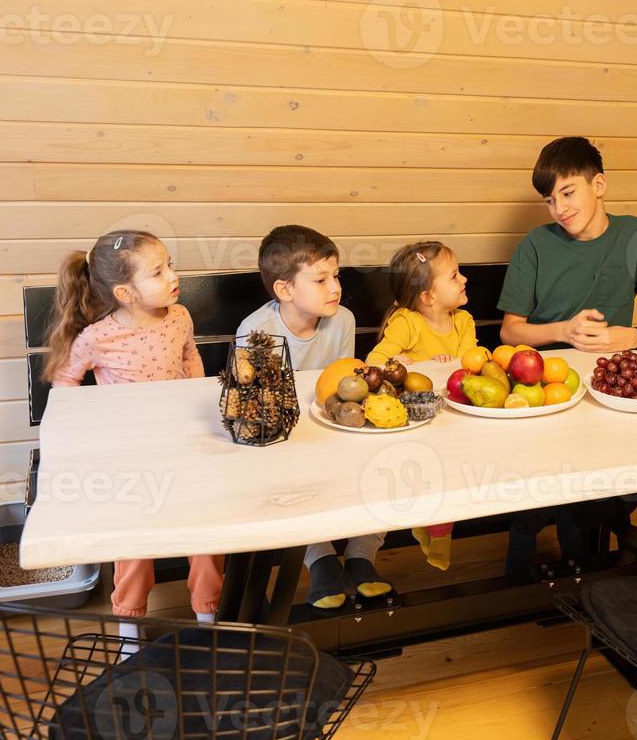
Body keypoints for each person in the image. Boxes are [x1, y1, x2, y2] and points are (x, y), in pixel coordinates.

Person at [498, 136, 637, 579]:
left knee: (603, 491)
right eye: (549, 200)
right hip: (543, 385)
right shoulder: (536, 245)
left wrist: (631, 336)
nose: (559, 208)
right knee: (543, 496)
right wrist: (562, 331)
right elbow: (510, 330)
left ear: (598, 185)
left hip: (608, 388)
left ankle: (590, 563)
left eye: (568, 192)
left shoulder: (636, 234)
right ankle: (528, 573)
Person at [43, 230, 224, 647]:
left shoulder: (179, 316)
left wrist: (196, 394)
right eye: (159, 271)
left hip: (186, 445)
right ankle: (129, 632)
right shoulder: (98, 336)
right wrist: (87, 434)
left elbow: (189, 356)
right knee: (134, 541)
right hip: (132, 455)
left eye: (170, 264)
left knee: (207, 533)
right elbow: (65, 382)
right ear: (125, 292)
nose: (173, 276)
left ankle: (208, 618)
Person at [235, 224, 392, 609]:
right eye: (321, 280)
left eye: (335, 276)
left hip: (330, 423)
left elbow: (344, 385)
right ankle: (319, 558)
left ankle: (361, 554)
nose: (335, 288)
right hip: (284, 434)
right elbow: (258, 402)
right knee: (287, 477)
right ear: (285, 290)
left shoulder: (343, 320)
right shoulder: (256, 331)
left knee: (384, 460)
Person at [366, 241, 478, 569]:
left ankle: (438, 529)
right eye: (454, 276)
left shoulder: (464, 321)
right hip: (416, 421)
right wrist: (399, 360)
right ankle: (437, 532)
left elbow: (471, 363)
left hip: (454, 416)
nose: (464, 280)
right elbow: (374, 361)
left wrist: (454, 360)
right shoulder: (407, 322)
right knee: (434, 474)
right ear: (428, 296)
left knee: (455, 474)